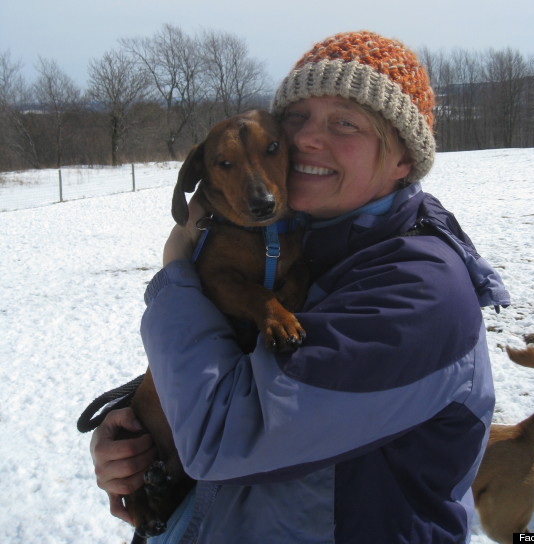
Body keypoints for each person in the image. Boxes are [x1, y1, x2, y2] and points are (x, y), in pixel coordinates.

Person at [90, 30, 510, 543]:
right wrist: (138, 430)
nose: (306, 139)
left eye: (344, 122)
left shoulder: (421, 293)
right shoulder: (306, 241)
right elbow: (232, 360)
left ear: (403, 159)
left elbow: (222, 437)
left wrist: (176, 275)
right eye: (297, 118)